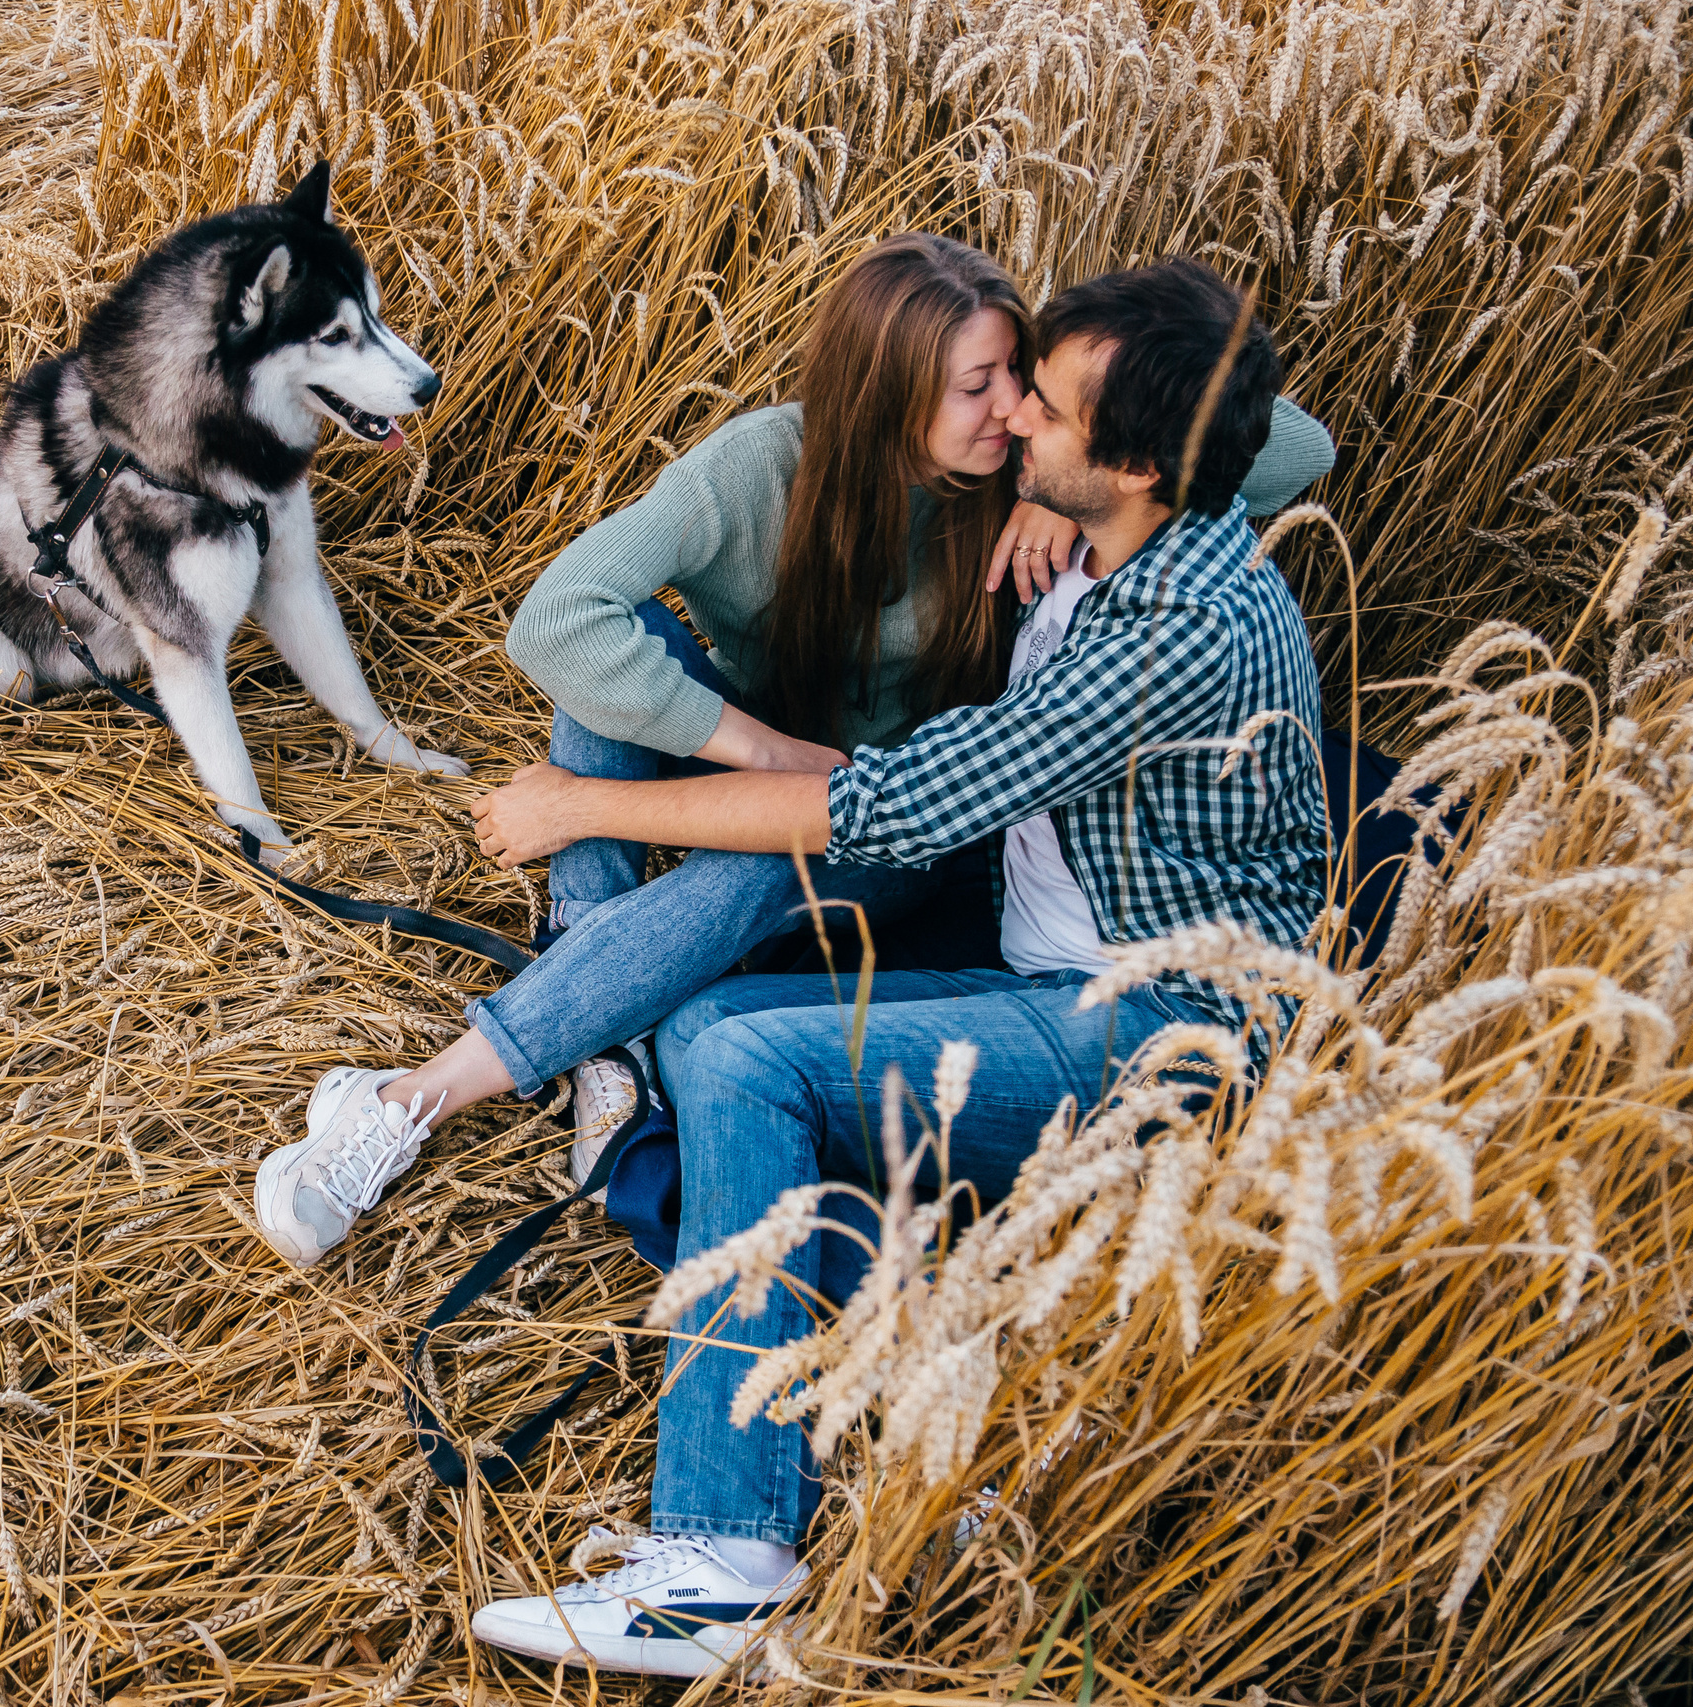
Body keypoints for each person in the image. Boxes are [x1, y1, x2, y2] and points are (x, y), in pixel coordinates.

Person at [461, 258, 1329, 1676]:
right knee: (719, 1025)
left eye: (1040, 408)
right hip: (1060, 956)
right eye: (1006, 388)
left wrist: (582, 807)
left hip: (1166, 1025)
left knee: (741, 1053)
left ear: (1130, 461)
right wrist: (1059, 513)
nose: (1012, 430)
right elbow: (1224, 427)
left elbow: (881, 806)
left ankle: (725, 1556)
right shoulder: (1139, 528)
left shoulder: (1156, 636)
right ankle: (823, 1298)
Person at [249, 233, 1333, 1271]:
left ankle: (412, 1098)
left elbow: (1288, 443)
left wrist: (1096, 477)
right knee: (613, 671)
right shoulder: (764, 468)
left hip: (907, 821)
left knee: (769, 858)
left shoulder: (1047, 471)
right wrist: (763, 750)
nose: (1011, 407)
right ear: (885, 389)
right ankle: (610, 1045)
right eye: (980, 384)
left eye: (1024, 378)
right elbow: (554, 620)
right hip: (785, 765)